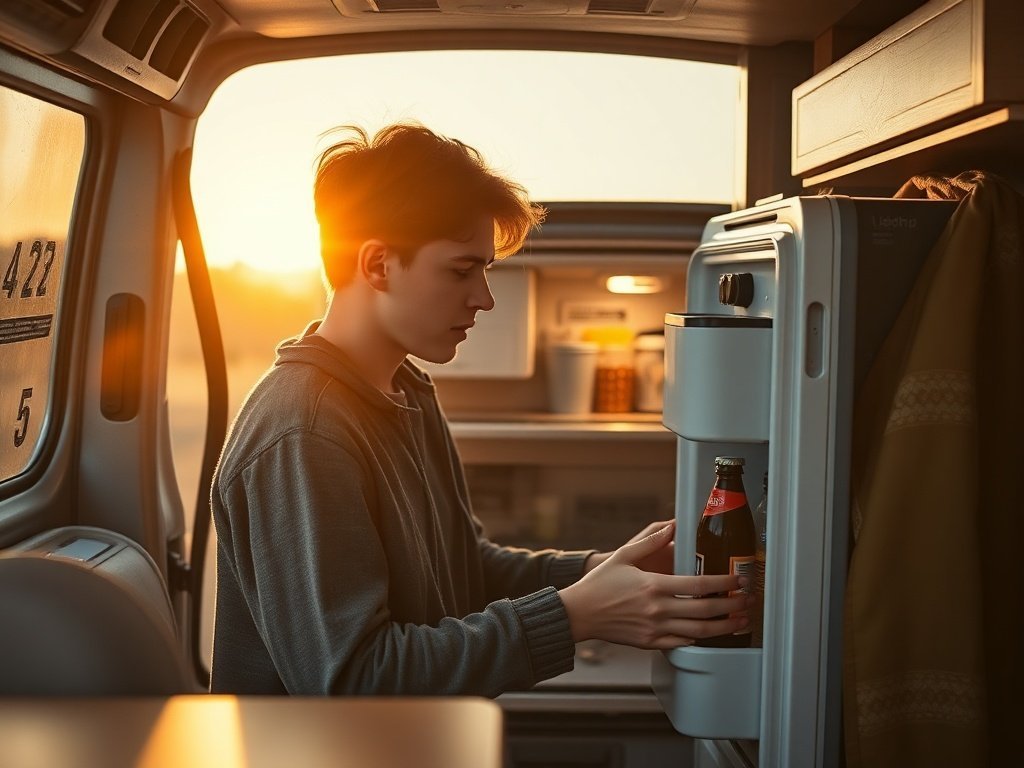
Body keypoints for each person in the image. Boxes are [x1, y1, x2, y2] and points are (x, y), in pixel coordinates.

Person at [209, 122, 751, 696]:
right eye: (461, 270)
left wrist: (601, 572)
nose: (484, 298)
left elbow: (461, 568)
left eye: (485, 271)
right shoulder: (305, 431)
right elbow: (356, 683)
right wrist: (574, 617)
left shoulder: (404, 391)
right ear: (376, 265)